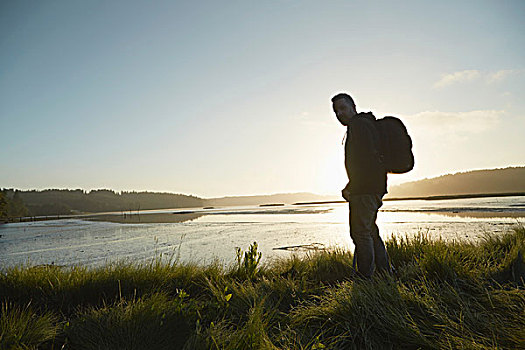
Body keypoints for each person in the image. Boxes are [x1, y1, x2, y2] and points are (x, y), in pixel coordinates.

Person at [331, 92, 392, 278]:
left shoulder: (359, 126)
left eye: (342, 108)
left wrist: (352, 187)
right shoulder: (363, 125)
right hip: (371, 188)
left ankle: (365, 277)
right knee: (370, 231)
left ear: (353, 107)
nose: (340, 114)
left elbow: (366, 161)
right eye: (336, 111)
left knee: (360, 233)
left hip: (365, 190)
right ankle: (385, 273)